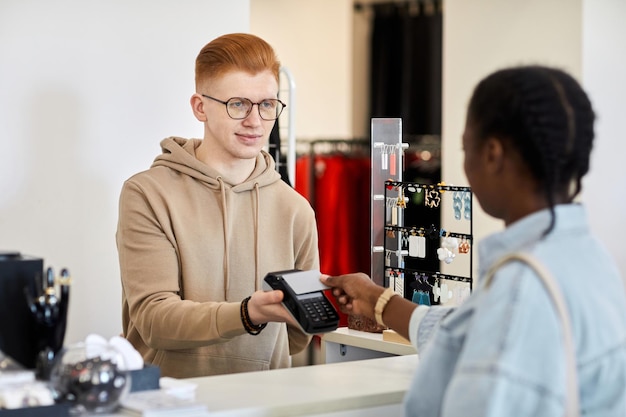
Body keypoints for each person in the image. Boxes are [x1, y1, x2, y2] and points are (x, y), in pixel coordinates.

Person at [321, 65, 626, 416]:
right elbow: (464, 331)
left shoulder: (520, 288)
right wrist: (377, 300)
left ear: (492, 154)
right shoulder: (590, 258)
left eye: (465, 147)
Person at [116, 33, 319, 378]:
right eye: (237, 104)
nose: (255, 121)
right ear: (200, 107)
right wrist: (246, 314)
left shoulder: (295, 209)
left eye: (267, 104)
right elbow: (154, 320)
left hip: (267, 402)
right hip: (170, 403)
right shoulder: (148, 194)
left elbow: (299, 334)